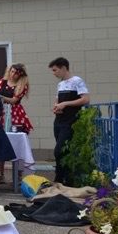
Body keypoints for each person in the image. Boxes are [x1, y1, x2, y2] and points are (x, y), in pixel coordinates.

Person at [49, 57, 90, 185]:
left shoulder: (77, 81)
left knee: (60, 149)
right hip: (59, 120)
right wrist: (56, 107)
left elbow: (85, 99)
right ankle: (62, 177)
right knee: (61, 150)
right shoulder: (60, 84)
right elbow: (57, 100)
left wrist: (66, 103)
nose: (54, 73)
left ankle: (63, 178)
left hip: (71, 120)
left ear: (63, 68)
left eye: (55, 70)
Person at [0, 63, 34, 183]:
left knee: (18, 145)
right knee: (1, 143)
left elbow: (14, 100)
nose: (13, 74)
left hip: (15, 113)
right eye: (12, 71)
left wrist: (0, 97)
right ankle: (1, 174)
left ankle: (18, 175)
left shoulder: (22, 85)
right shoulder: (2, 82)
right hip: (2, 113)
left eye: (16, 73)